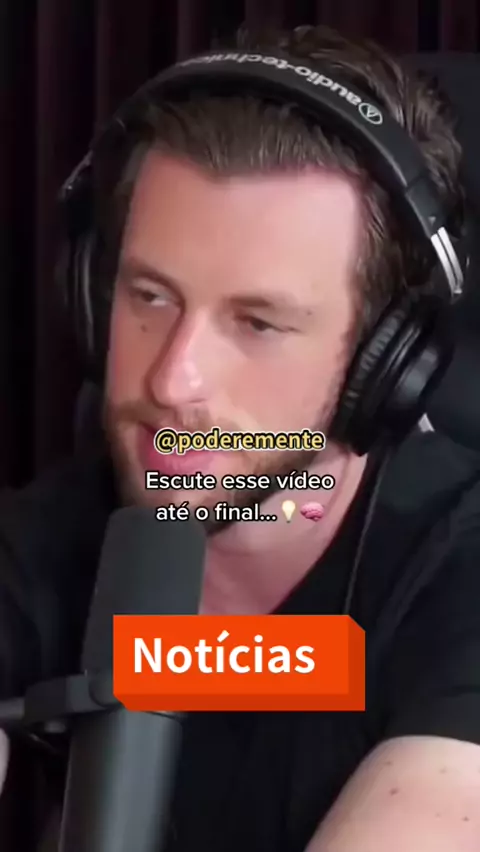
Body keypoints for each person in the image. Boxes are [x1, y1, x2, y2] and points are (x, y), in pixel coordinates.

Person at [1, 22, 480, 852]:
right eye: (150, 296)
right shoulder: (49, 538)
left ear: (385, 360)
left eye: (257, 323)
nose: (172, 380)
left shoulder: (459, 576)